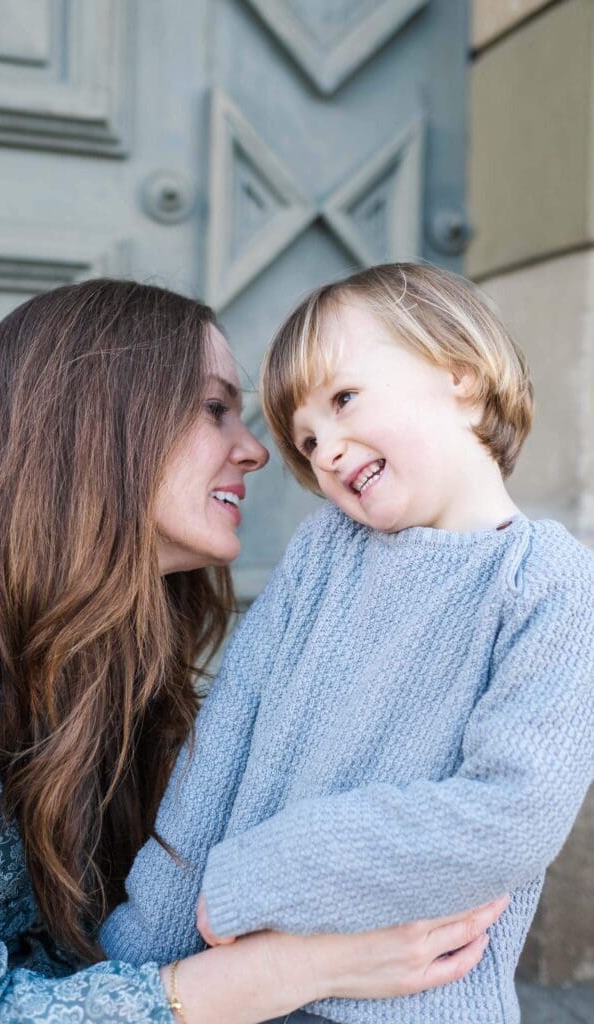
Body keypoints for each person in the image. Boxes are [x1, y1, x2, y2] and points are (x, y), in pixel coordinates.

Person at [0, 278, 503, 1024]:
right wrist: (289, 971)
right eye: (216, 408)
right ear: (96, 422)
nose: (261, 451)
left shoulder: (116, 638)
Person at [102, 264, 594, 1024]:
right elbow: (220, 752)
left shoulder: (550, 583)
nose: (325, 450)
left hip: (417, 1005)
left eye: (343, 400)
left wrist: (263, 875)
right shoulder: (322, 555)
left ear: (458, 374)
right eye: (305, 438)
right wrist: (132, 958)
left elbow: (510, 816)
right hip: (235, 990)